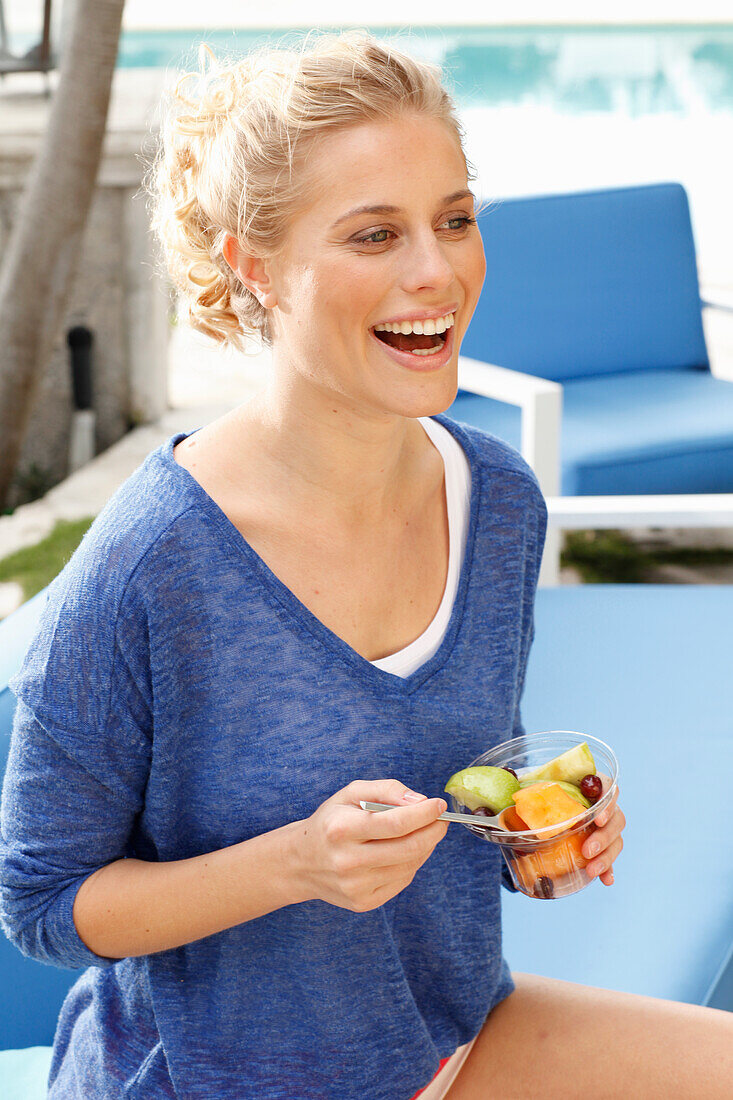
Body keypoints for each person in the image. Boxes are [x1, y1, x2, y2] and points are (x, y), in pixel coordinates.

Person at [0, 29, 730, 1100]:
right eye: (374, 234)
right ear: (254, 263)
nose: (436, 272)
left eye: (454, 218)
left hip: (448, 1038)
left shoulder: (498, 503)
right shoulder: (149, 564)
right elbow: (44, 905)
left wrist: (528, 830)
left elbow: (446, 789)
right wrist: (293, 863)